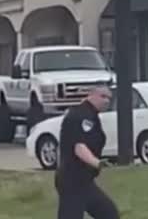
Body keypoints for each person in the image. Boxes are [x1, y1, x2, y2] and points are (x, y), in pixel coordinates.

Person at [55, 85, 120, 219]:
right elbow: (79, 147)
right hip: (72, 180)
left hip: (84, 181)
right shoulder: (81, 116)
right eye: (103, 96)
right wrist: (97, 163)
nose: (106, 101)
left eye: (109, 98)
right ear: (91, 95)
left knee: (109, 213)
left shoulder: (92, 116)